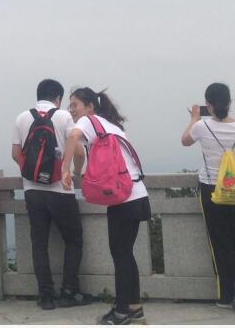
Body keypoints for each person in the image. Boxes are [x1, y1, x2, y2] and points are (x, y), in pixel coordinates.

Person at [62, 88, 150, 325]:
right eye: (70, 106)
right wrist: (77, 169)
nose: (71, 110)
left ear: (90, 106)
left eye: (75, 105)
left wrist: (64, 170)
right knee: (125, 254)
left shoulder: (89, 120)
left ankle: (122, 311)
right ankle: (134, 307)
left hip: (123, 197)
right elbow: (80, 149)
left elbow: (72, 138)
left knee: (120, 256)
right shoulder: (113, 126)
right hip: (137, 194)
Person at [12, 79, 94, 310]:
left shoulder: (22, 117)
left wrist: (34, 173)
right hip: (60, 189)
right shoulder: (63, 117)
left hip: (32, 191)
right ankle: (69, 291)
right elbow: (78, 151)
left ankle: (45, 296)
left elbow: (15, 154)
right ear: (58, 98)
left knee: (39, 243)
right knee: (73, 239)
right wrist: (74, 172)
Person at [180, 82, 235, 313]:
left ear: (209, 105)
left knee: (220, 242)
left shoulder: (201, 127)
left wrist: (194, 117)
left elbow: (185, 140)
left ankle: (226, 295)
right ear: (230, 102)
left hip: (212, 189)